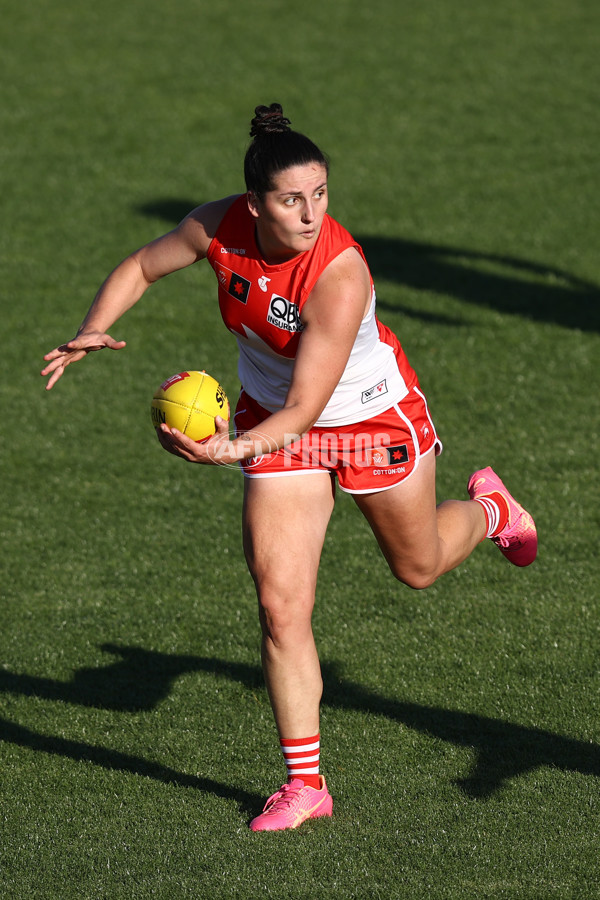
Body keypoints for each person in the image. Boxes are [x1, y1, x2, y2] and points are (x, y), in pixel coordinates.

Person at [42, 103, 537, 832]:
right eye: (291, 199)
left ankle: (493, 508)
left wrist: (231, 450)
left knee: (420, 566)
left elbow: (307, 408)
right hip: (278, 431)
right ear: (255, 204)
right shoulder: (219, 228)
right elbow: (144, 265)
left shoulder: (338, 277)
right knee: (280, 608)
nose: (310, 214)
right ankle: (305, 783)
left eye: (321, 195)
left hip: (365, 423)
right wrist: (95, 325)